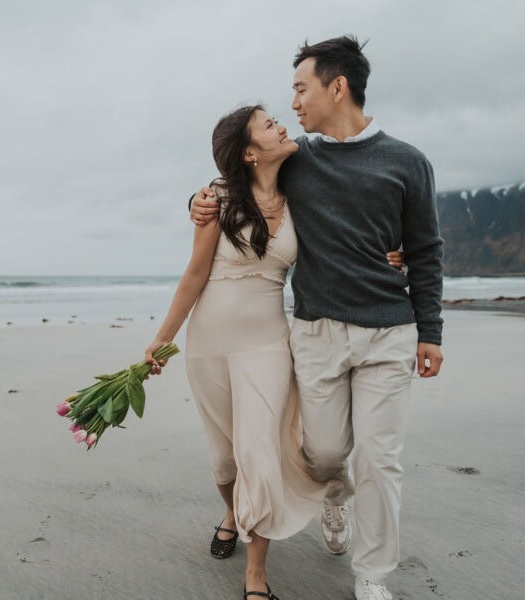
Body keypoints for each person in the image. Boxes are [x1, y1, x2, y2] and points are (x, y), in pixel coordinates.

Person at [189, 36, 444, 600]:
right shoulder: (298, 157)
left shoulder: (407, 161)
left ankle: (373, 575)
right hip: (317, 330)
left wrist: (431, 331)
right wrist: (198, 200)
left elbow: (425, 249)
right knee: (324, 454)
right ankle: (334, 491)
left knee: (381, 459)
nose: (295, 105)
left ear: (337, 86)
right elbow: (240, 184)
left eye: (301, 90)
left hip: (389, 329)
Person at [145, 104, 405, 600]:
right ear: (247, 151)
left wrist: (386, 256)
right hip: (209, 344)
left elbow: (341, 243)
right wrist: (163, 337)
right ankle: (231, 510)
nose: (282, 124)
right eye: (268, 125)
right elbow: (195, 273)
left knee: (258, 456)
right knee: (225, 461)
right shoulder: (217, 199)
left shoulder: (301, 194)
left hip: (267, 344)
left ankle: (256, 575)